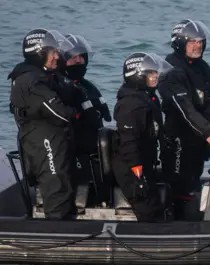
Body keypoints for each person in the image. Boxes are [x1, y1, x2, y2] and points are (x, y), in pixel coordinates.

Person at [7, 28, 79, 220]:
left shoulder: (44, 76)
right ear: (39, 53)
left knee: (65, 184)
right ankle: (58, 233)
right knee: (56, 187)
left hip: (53, 137)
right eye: (52, 52)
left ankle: (68, 226)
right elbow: (60, 113)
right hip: (44, 139)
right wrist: (76, 112)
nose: (57, 56)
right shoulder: (31, 80)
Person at [157, 19, 210, 220]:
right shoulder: (171, 70)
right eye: (193, 41)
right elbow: (185, 108)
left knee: (194, 178)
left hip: (199, 137)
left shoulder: (201, 66)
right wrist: (208, 132)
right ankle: (177, 222)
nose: (198, 45)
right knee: (180, 184)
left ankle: (197, 213)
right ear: (180, 43)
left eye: (200, 41)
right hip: (180, 137)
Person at [111, 52, 173, 222]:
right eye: (150, 73)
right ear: (138, 76)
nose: (155, 76)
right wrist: (138, 173)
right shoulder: (131, 104)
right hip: (131, 166)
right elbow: (128, 142)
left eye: (155, 72)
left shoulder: (147, 98)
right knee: (148, 207)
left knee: (158, 202)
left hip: (145, 161)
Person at [59, 34, 112, 164]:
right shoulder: (59, 85)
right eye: (73, 57)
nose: (78, 60)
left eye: (81, 56)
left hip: (95, 145)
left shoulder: (88, 86)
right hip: (73, 149)